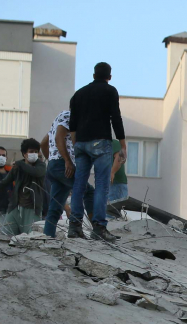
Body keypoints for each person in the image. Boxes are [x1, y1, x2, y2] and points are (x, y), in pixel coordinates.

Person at [68, 62, 128, 243]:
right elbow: (115, 118)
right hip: (101, 142)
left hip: (81, 143)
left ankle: (74, 227)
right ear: (109, 77)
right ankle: (99, 228)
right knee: (102, 185)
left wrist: (76, 143)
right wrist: (123, 145)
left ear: (93, 75)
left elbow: (72, 124)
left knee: (79, 185)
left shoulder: (78, 94)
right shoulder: (110, 91)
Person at [43, 110, 96, 238]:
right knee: (88, 191)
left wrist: (51, 160)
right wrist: (67, 160)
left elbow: (43, 143)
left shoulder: (59, 119)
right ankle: (97, 229)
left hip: (56, 166)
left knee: (55, 207)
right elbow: (58, 137)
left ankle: (47, 237)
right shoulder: (69, 116)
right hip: (64, 166)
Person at [0, 138, 48, 236]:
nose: (34, 154)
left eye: (36, 152)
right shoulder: (18, 168)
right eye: (31, 151)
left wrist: (20, 163)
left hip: (32, 210)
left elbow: (35, 172)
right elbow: (4, 182)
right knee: (7, 236)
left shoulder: (41, 166)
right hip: (15, 208)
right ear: (24, 154)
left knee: (32, 238)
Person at [108, 139, 129, 208]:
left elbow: (119, 158)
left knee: (114, 213)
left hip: (116, 183)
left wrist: (112, 172)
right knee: (108, 213)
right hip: (108, 184)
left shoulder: (113, 143)